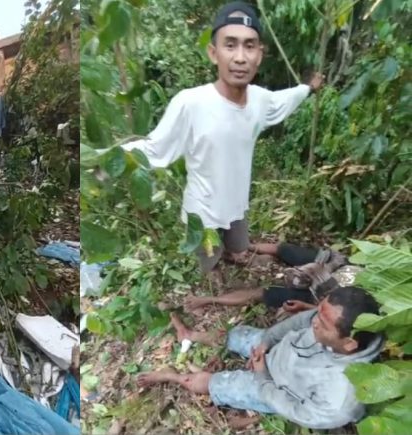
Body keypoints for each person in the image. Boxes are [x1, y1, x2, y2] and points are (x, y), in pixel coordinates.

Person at [119, 2, 324, 278]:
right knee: (208, 256)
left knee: (238, 241)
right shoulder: (191, 103)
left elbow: (285, 100)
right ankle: (212, 271)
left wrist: (308, 89)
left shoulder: (260, 100)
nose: (240, 57)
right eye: (230, 45)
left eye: (249, 46)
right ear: (214, 53)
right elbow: (155, 148)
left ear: (259, 55)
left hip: (236, 199)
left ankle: (234, 253)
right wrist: (107, 159)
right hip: (202, 209)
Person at [137, 286, 383, 430]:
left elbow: (293, 409)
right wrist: (266, 342)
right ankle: (190, 335)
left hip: (273, 386)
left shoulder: (341, 397)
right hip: (276, 352)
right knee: (234, 335)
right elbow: (300, 321)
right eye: (317, 313)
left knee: (210, 383)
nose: (314, 322)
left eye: (323, 323)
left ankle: (173, 376)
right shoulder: (331, 323)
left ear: (349, 344)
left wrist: (262, 376)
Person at [184, 242, 352, 313]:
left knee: (264, 293)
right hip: (335, 265)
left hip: (321, 294)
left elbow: (331, 312)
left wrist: (306, 307)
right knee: (284, 250)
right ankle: (243, 247)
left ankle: (209, 299)